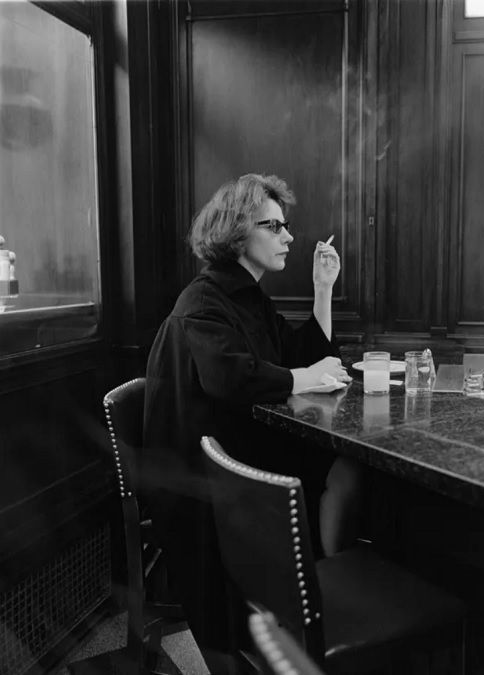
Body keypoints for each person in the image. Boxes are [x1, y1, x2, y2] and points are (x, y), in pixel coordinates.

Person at [142, 173, 356, 672]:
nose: (288, 237)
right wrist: (304, 376)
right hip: (201, 481)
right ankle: (315, 599)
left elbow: (293, 354)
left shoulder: (248, 296)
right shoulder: (204, 300)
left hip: (236, 453)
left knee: (340, 463)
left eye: (286, 226)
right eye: (274, 226)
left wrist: (322, 290)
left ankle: (319, 589)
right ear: (239, 232)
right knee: (337, 464)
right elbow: (230, 378)